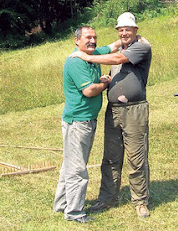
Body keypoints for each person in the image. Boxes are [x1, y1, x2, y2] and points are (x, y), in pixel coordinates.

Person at [69, 12, 152, 218]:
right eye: (121, 29)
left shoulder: (142, 47)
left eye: (128, 29)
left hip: (134, 110)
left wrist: (86, 56)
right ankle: (106, 199)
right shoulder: (121, 46)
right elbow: (113, 50)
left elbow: (116, 58)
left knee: (137, 157)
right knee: (110, 158)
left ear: (136, 30)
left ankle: (140, 201)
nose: (124, 32)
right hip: (113, 111)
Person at [53, 26, 122, 223]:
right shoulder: (76, 62)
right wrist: (106, 83)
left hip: (85, 120)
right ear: (76, 41)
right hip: (78, 122)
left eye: (94, 37)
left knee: (70, 165)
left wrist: (132, 35)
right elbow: (90, 91)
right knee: (77, 169)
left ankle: (61, 204)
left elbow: (112, 47)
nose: (92, 41)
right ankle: (74, 213)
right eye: (87, 38)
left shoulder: (93, 53)